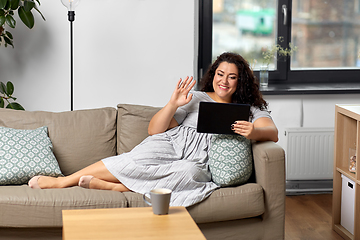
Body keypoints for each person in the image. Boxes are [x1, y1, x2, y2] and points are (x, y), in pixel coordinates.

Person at [28, 52, 278, 207]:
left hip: (199, 157)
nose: (224, 81)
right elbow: (154, 130)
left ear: (240, 80)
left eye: (231, 77)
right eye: (220, 74)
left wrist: (253, 131)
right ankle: (64, 182)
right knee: (135, 159)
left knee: (189, 173)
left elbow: (271, 131)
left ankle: (119, 187)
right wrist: (173, 104)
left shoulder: (249, 108)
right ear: (213, 75)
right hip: (171, 142)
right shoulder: (197, 97)